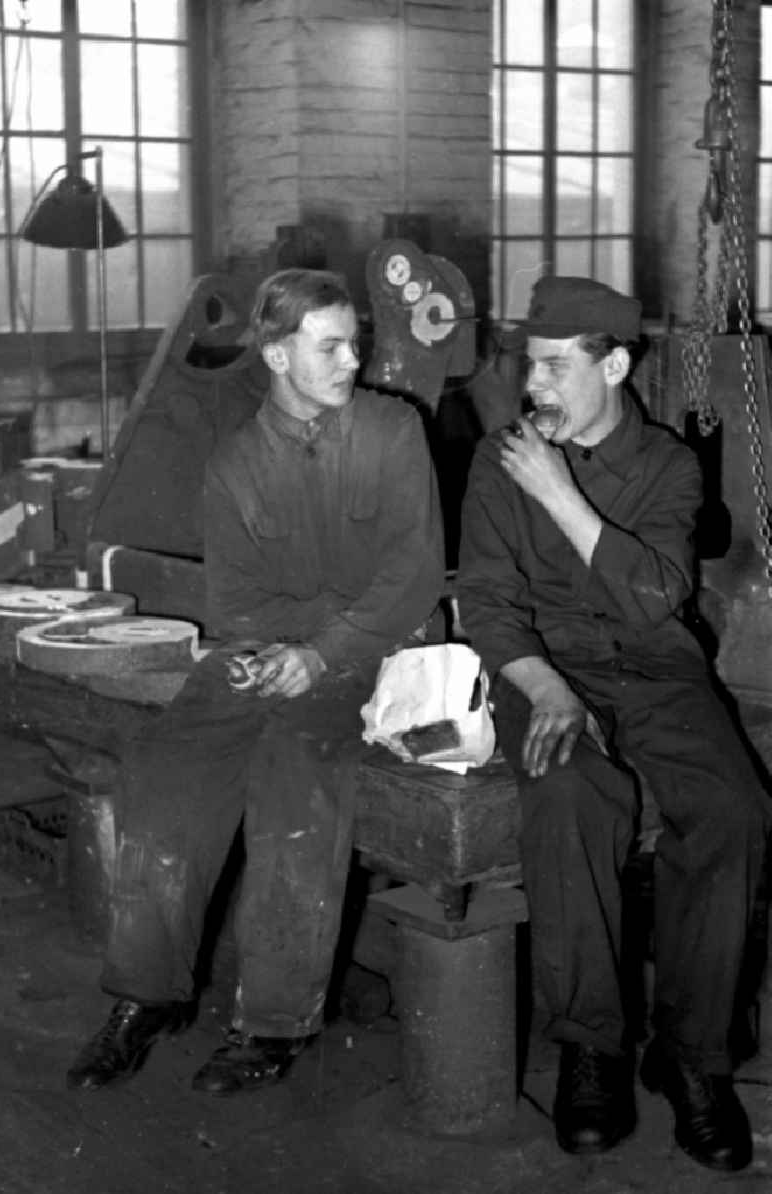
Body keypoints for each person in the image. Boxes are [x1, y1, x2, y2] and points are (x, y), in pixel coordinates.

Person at [67, 267, 445, 1095]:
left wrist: (315, 649)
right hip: (272, 649)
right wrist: (259, 651)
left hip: (373, 654)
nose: (354, 361)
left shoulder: (391, 430)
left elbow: (412, 578)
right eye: (332, 346)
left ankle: (274, 1023)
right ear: (276, 355)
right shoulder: (235, 461)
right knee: (166, 774)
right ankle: (146, 996)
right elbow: (235, 599)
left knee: (293, 780)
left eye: (356, 343)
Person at [455, 275, 770, 1171]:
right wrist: (544, 687)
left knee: (734, 810)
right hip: (544, 670)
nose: (535, 384)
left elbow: (658, 598)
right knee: (571, 795)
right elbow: (486, 598)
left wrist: (560, 494)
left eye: (556, 365)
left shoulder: (670, 465)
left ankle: (692, 1058)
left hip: (659, 672)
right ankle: (591, 1048)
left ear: (617, 365)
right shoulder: (496, 459)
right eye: (530, 363)